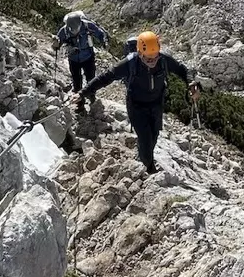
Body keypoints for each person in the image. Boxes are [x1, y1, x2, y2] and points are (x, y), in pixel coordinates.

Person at [79, 30, 197, 174]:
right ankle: (149, 168)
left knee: (154, 136)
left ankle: (143, 155)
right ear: (140, 53)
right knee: (145, 138)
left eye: (155, 57)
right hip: (136, 106)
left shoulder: (163, 59)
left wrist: (191, 83)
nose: (153, 61)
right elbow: (106, 77)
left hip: (156, 104)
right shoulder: (130, 63)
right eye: (149, 59)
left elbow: (182, 69)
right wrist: (83, 92)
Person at [55, 11, 110, 98]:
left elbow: (100, 33)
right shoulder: (64, 30)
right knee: (76, 81)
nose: (74, 31)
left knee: (91, 79)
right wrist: (55, 44)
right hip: (74, 59)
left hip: (88, 57)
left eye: (76, 29)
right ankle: (79, 103)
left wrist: (104, 41)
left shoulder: (87, 25)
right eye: (72, 29)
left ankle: (92, 96)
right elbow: (57, 45)